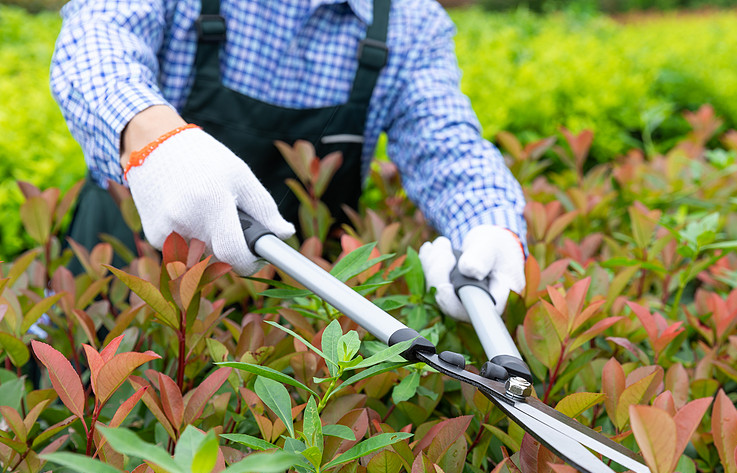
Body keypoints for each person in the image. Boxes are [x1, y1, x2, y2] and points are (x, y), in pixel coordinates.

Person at [50, 0, 526, 321]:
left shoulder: (412, 22)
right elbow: (95, 45)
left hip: (287, 313)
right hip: (120, 279)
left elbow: (445, 144)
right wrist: (157, 140)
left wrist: (491, 227)